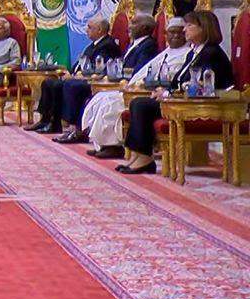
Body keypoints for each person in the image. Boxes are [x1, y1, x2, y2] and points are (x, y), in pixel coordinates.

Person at [119, 10, 235, 175]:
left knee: (142, 105)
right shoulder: (194, 53)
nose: (184, 30)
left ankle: (144, 158)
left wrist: (167, 95)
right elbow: (178, 81)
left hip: (204, 106)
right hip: (183, 101)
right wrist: (164, 91)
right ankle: (138, 155)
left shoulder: (211, 53)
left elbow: (199, 86)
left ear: (204, 28)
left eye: (189, 25)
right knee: (138, 103)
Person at [83, 18, 190, 160]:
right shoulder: (166, 52)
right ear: (166, 34)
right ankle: (101, 143)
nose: (175, 36)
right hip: (141, 88)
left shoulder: (187, 53)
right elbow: (145, 71)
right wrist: (133, 83)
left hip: (154, 92)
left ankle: (114, 145)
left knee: (112, 103)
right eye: (171, 32)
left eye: (179, 33)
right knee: (102, 97)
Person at [53, 14, 159, 144]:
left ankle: (87, 133)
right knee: (71, 86)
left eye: (133, 23)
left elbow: (137, 69)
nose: (129, 27)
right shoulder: (135, 44)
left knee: (77, 87)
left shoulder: (148, 45)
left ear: (144, 28)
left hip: (127, 85)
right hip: (115, 80)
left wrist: (110, 75)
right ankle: (79, 130)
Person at [25, 17, 120, 137]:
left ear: (100, 30)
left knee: (67, 85)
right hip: (79, 76)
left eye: (90, 27)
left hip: (91, 80)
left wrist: (75, 76)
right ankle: (45, 119)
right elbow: (82, 62)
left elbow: (100, 68)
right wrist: (69, 72)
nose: (87, 30)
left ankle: (70, 126)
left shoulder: (107, 45)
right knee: (48, 82)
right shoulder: (94, 44)